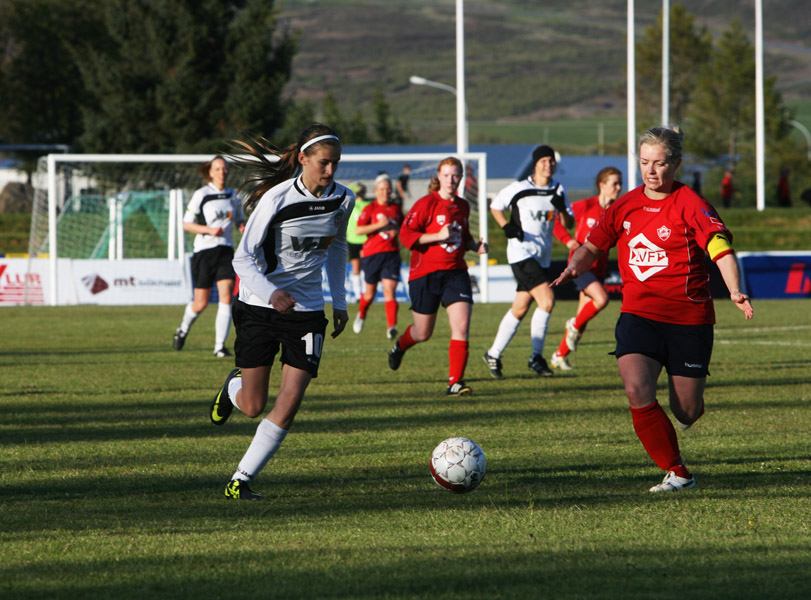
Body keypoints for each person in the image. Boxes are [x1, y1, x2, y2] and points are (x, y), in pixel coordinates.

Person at [551, 125, 754, 493]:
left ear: (675, 164)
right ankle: (678, 471)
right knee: (636, 388)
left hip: (688, 320)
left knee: (686, 412)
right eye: (645, 162)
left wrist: (735, 289)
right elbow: (593, 246)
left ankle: (691, 406)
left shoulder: (691, 203)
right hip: (639, 315)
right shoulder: (624, 205)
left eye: (659, 163)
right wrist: (573, 266)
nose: (651, 170)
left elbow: (720, 247)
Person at [208, 124, 354, 500]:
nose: (330, 171)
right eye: (324, 163)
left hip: (306, 312)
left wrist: (338, 300)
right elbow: (242, 258)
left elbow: (337, 248)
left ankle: (240, 480)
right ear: (303, 159)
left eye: (336, 164)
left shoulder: (344, 199)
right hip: (259, 307)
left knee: (289, 403)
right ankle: (233, 385)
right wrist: (272, 293)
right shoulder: (276, 199)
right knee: (254, 406)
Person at [387, 157, 488, 396]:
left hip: (456, 272)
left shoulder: (463, 205)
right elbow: (406, 235)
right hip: (425, 274)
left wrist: (475, 246)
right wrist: (436, 237)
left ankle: (455, 382)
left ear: (461, 178)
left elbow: (462, 238)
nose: (451, 180)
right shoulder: (426, 203)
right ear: (438, 177)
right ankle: (400, 346)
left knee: (462, 326)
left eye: (455, 176)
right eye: (446, 175)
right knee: (423, 333)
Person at [482, 144, 574, 379]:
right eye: (543, 160)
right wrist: (506, 226)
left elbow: (568, 224)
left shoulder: (558, 189)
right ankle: (536, 357)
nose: (548, 164)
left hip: (541, 256)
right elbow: (495, 206)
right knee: (547, 300)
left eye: (551, 161)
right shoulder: (520, 188)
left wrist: (562, 208)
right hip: (521, 253)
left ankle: (493, 354)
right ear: (535, 164)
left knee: (520, 307)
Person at [549, 166, 623, 370]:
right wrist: (568, 241)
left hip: (599, 268)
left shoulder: (615, 210)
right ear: (602, 185)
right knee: (602, 299)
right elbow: (557, 220)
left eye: (620, 183)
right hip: (580, 266)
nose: (618, 187)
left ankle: (559, 355)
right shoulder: (586, 205)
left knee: (583, 320)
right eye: (614, 183)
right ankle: (571, 325)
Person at [172, 156, 244, 357]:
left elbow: (238, 218)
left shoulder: (234, 196)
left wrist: (242, 226)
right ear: (211, 172)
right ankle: (183, 329)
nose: (222, 172)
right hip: (204, 252)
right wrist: (209, 230)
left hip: (226, 251)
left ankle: (219, 347)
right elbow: (187, 224)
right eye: (218, 169)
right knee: (200, 303)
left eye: (225, 169)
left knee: (226, 295)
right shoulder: (202, 194)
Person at [352, 174, 404, 340]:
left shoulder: (396, 209)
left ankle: (391, 327)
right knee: (370, 293)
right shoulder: (370, 208)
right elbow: (359, 230)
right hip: (372, 255)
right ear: (376, 191)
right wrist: (378, 226)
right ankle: (361, 314)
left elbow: (402, 229)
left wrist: (397, 232)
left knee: (390, 290)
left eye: (388, 189)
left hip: (392, 254)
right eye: (382, 189)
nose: (386, 192)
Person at [345, 182, 371, 302]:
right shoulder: (364, 205)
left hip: (360, 239)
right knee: (360, 268)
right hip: (357, 239)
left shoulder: (365, 205)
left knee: (360, 268)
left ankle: (361, 294)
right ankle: (359, 294)